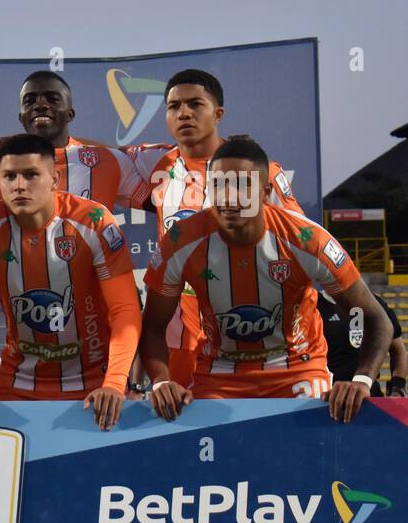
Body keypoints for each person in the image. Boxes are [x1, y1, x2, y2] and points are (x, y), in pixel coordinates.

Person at [140, 135, 392, 423]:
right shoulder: (179, 242)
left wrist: (361, 379)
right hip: (219, 374)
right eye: (219, 185)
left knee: (304, 456)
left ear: (265, 191)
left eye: (241, 185)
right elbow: (153, 328)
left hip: (298, 370)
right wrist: (161, 380)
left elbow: (371, 318)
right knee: (213, 461)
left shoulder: (307, 240)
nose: (228, 197)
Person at [0, 134, 141, 432]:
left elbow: (125, 309)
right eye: (9, 176)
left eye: (31, 174)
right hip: (19, 384)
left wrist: (114, 382)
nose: (19, 185)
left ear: (55, 178)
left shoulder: (95, 221)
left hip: (96, 386)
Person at [128, 69, 308, 387]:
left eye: (195, 104)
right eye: (173, 106)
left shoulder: (259, 171)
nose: (183, 113)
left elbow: (302, 245)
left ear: (218, 113)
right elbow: (91, 157)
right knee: (177, 421)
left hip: (244, 323)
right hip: (177, 324)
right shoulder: (156, 162)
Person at [0, 71, 150, 222]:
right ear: (21, 116)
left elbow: (160, 203)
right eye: (29, 100)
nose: (40, 105)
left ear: (70, 114)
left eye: (52, 98)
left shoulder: (109, 161)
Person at [318, 289, 406, 396]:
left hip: (369, 394)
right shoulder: (313, 306)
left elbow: (398, 350)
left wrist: (398, 387)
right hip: (328, 396)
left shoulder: (375, 304)